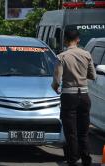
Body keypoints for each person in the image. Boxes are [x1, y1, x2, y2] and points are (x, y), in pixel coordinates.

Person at [51, 28, 96, 166]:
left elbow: (57, 81)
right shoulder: (86, 54)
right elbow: (93, 75)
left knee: (71, 132)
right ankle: (87, 159)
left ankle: (72, 160)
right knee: (83, 131)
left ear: (65, 41)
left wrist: (55, 89)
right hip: (84, 96)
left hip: (69, 96)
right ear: (78, 39)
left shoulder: (62, 56)